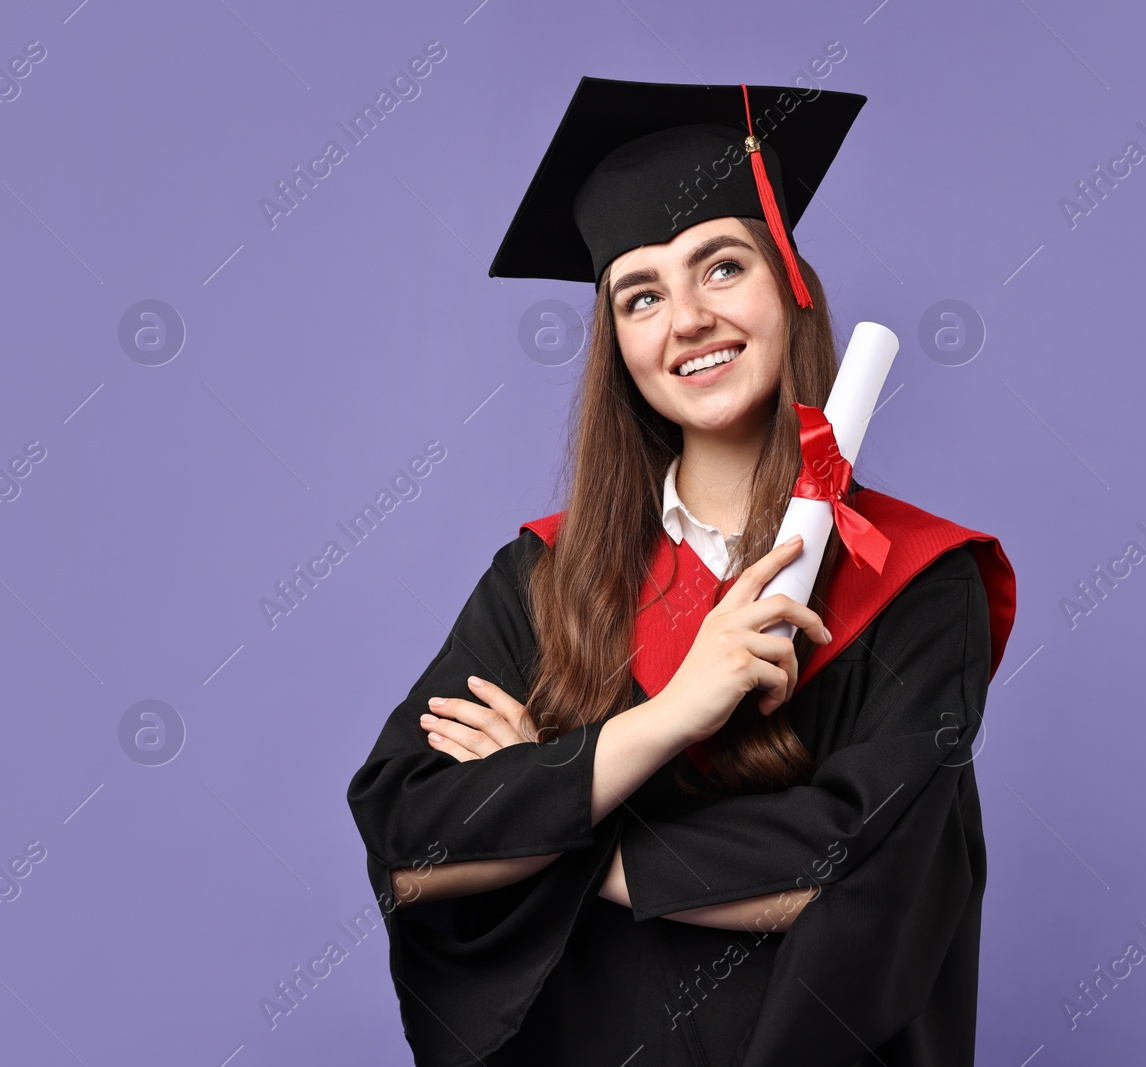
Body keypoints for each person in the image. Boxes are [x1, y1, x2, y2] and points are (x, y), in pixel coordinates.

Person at [346, 75, 1016, 1067]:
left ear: (791, 284)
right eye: (642, 294)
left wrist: (552, 812)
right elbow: (411, 849)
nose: (686, 319)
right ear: (619, 343)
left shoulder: (919, 580)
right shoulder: (543, 575)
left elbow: (863, 873)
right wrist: (670, 714)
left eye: (722, 266)